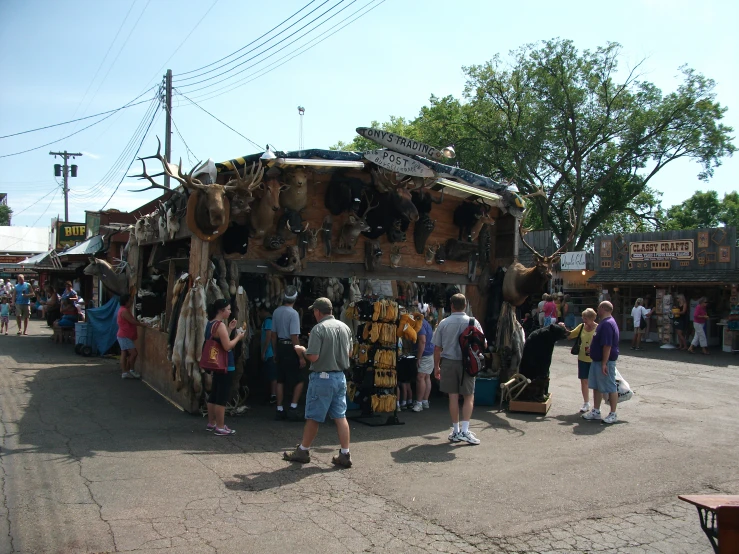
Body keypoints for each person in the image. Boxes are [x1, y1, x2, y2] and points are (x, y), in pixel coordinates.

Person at [284, 297, 354, 468]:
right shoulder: (345, 327)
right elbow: (350, 353)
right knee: (340, 416)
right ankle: (345, 453)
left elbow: (313, 356)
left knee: (314, 416)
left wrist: (302, 350)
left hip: (323, 378)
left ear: (317, 311)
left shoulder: (318, 329)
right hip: (340, 377)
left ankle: (303, 450)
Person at [432, 293, 486, 445]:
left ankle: (455, 430)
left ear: (451, 305)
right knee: (468, 396)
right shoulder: (473, 322)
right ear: (465, 305)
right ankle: (465, 430)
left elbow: (437, 348)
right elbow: (484, 343)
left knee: (453, 397)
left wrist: (436, 367)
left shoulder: (444, 323)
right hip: (468, 363)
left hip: (448, 362)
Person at [204, 298, 246, 436]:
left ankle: (212, 423)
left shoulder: (211, 324)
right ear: (221, 311)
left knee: (214, 394)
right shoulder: (220, 325)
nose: (229, 311)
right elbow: (227, 346)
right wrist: (238, 337)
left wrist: (230, 329)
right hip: (225, 364)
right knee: (222, 395)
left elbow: (220, 340)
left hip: (215, 364)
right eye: (228, 309)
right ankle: (220, 426)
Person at [582, 301, 620, 424]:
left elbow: (607, 345)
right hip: (596, 361)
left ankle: (613, 413)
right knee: (596, 386)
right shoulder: (604, 323)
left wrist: (604, 363)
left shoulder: (608, 324)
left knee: (610, 386)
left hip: (605, 362)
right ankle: (596, 411)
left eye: (599, 308)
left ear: (603, 308)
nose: (597, 311)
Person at [271, 286, 305, 421]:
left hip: (280, 346)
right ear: (295, 299)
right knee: (300, 379)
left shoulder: (276, 312)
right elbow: (294, 336)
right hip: (291, 347)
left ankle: (279, 409)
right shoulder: (293, 314)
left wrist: (275, 352)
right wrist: (300, 356)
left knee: (280, 379)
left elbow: (273, 335)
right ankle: (293, 407)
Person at [568, 308, 598, 413]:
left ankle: (596, 406)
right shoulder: (581, 327)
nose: (583, 320)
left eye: (585, 318)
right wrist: (562, 328)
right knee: (584, 380)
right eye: (583, 318)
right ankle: (586, 403)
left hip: (594, 359)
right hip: (582, 357)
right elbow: (570, 335)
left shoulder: (598, 328)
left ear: (592, 318)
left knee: (595, 382)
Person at [116, 293, 149, 380]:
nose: (131, 302)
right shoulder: (124, 311)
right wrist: (142, 324)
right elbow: (132, 321)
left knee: (124, 353)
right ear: (126, 302)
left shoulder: (123, 310)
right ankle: (130, 370)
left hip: (123, 335)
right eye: (130, 301)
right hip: (124, 335)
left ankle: (125, 372)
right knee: (134, 353)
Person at [412, 313, 435, 412]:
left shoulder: (419, 324)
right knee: (426, 377)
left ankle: (419, 403)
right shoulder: (426, 323)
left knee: (420, 377)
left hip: (425, 354)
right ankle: (424, 401)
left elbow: (422, 341)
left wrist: (419, 357)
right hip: (430, 352)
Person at [259, 305, 277, 404]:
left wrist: (264, 351)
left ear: (263, 311)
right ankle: (271, 394)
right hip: (268, 352)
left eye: (259, 312)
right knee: (269, 374)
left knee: (272, 375)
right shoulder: (267, 321)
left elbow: (269, 336)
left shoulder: (268, 321)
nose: (259, 314)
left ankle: (273, 395)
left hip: (269, 352)